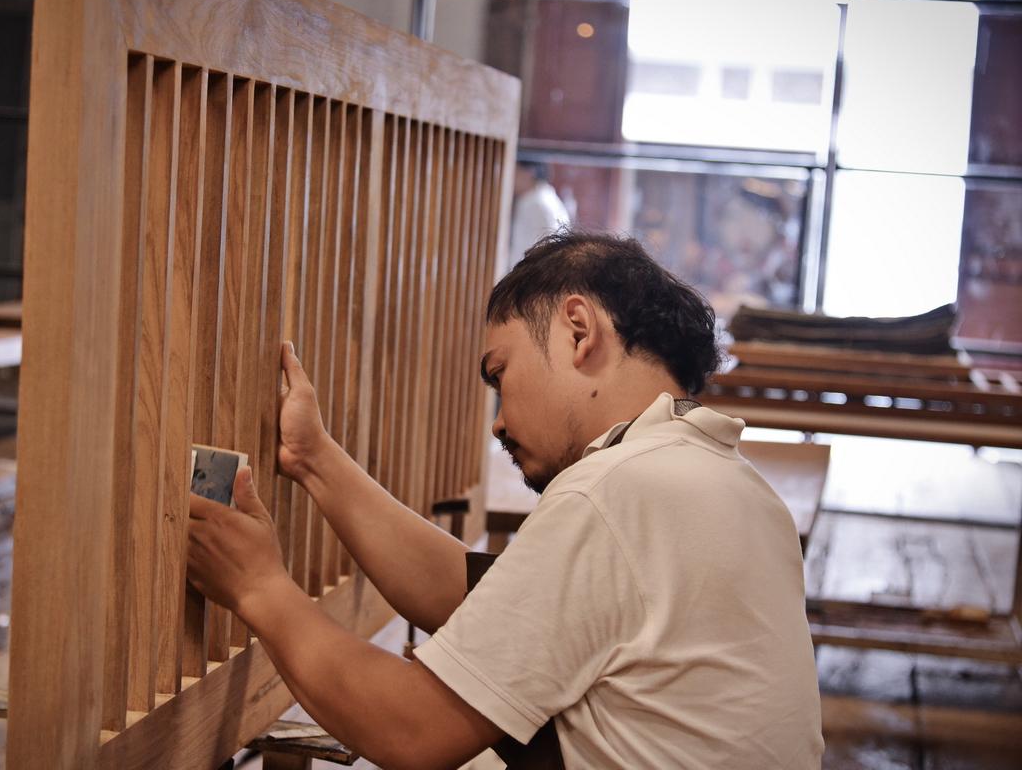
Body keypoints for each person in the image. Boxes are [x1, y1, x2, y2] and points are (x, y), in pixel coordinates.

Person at [187, 230, 824, 769]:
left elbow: (411, 730)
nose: (497, 420)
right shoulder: (727, 482)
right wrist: (315, 460)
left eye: (501, 374)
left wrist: (259, 587)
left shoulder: (614, 490)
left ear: (578, 331)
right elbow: (487, 603)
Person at [510, 161, 570, 270]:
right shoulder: (543, 198)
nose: (510, 177)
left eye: (515, 171)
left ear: (528, 173)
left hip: (529, 273)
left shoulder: (537, 204)